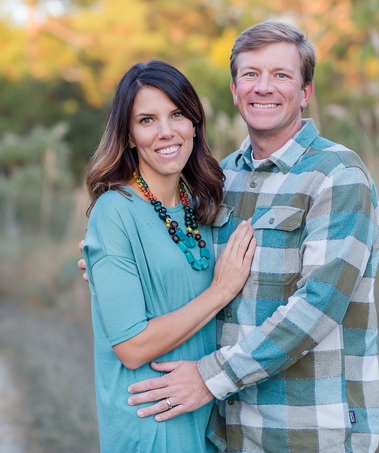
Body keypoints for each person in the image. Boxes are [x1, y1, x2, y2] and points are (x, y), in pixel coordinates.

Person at [125, 22, 379, 453]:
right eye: (251, 74)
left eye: (281, 75)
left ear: (305, 93)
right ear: (234, 89)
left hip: (309, 432)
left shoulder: (338, 176)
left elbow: (317, 308)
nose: (264, 87)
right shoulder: (219, 177)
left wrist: (209, 377)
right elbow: (181, 259)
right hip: (230, 432)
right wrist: (115, 260)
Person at [81, 59, 256, 453]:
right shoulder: (116, 212)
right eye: (147, 120)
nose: (166, 132)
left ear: (194, 123)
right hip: (149, 420)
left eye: (177, 114)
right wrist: (219, 291)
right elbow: (132, 346)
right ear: (128, 135)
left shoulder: (201, 204)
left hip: (204, 416)